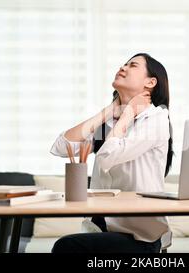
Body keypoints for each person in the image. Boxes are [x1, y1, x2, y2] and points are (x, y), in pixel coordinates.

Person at [50, 53, 174, 253]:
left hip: (140, 237)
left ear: (151, 82)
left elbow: (107, 156)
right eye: (124, 64)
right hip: (100, 230)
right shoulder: (109, 123)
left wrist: (126, 114)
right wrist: (107, 112)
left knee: (66, 247)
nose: (123, 67)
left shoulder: (156, 119)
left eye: (132, 65)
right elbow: (61, 147)